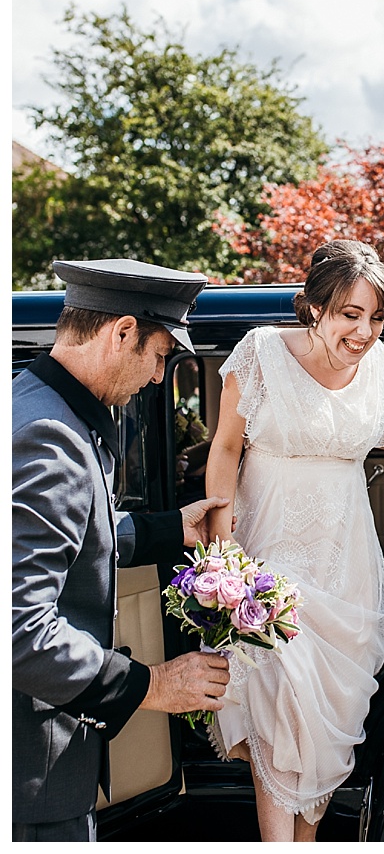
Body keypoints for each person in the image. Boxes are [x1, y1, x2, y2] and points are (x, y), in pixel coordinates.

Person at [203, 240, 384, 841]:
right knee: (281, 698)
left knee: (330, 715)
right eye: (351, 314)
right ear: (314, 307)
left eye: (377, 317)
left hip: (347, 561)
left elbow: (380, 432)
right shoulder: (261, 354)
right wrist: (223, 555)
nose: (365, 331)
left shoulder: (377, 363)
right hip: (268, 548)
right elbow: (225, 447)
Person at [14, 259, 235, 841]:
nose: (160, 378)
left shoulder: (33, 403)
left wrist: (169, 530)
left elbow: (80, 532)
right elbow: (19, 631)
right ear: (122, 332)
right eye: (161, 356)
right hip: (28, 781)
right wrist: (153, 686)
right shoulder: (50, 438)